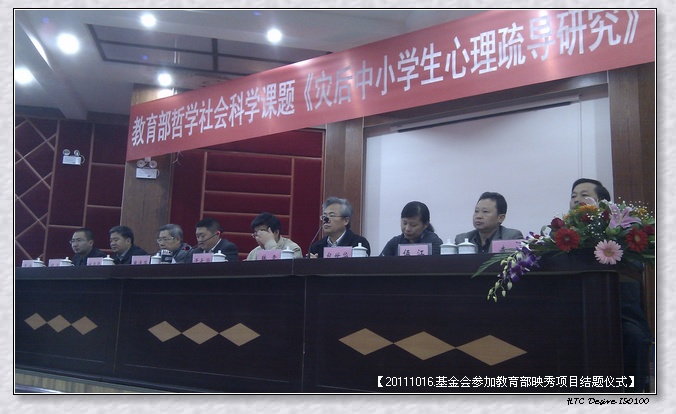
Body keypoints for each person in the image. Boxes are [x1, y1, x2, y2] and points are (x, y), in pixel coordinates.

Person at [569, 178, 651, 392]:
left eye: (584, 195)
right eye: (573, 196)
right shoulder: (563, 233)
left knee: (633, 338)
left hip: (619, 309)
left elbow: (634, 265)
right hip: (578, 308)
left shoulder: (620, 229)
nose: (577, 199)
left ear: (602, 203)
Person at [454, 192, 523, 253]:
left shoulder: (510, 237)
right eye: (476, 211)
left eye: (485, 211)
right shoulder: (462, 240)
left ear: (500, 218)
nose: (478, 216)